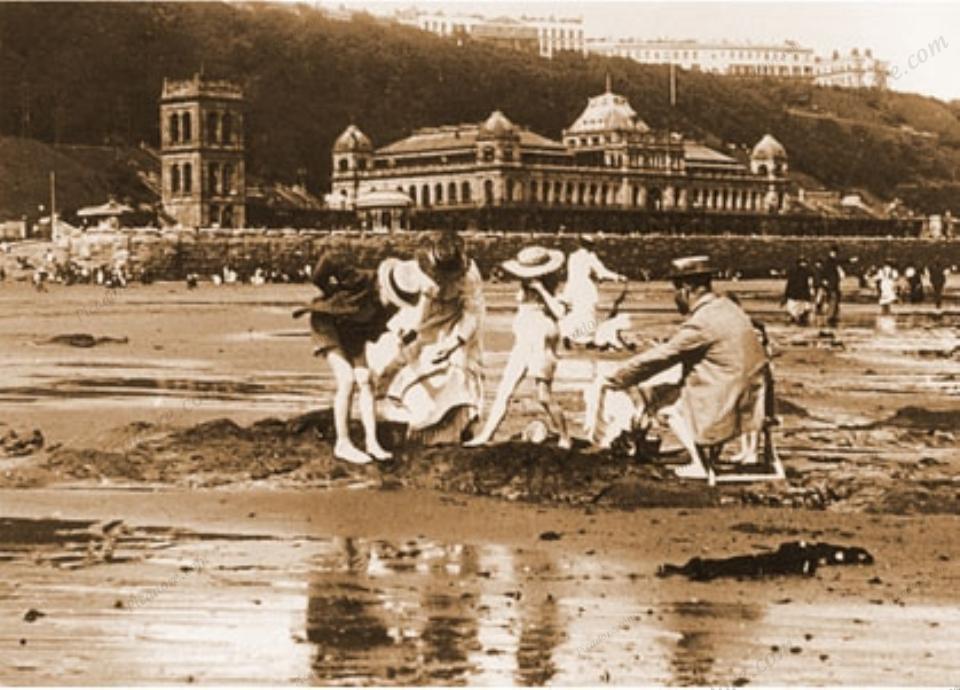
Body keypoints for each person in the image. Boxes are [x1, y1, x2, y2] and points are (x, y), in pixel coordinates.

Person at [592, 256, 767, 479]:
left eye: (674, 291)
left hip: (727, 398)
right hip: (752, 396)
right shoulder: (729, 307)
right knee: (667, 392)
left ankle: (700, 465)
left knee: (667, 409)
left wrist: (617, 377)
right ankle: (701, 456)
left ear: (686, 289)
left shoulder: (703, 321)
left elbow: (662, 357)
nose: (675, 298)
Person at [296, 250, 422, 465]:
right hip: (327, 322)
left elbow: (374, 326)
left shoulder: (392, 306)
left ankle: (372, 443)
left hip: (353, 330)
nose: (392, 303)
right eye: (391, 295)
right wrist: (330, 293)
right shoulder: (361, 278)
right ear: (383, 284)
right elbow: (328, 259)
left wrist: (398, 334)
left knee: (366, 381)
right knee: (347, 379)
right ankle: (342, 443)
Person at [383, 230, 485, 445]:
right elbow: (416, 308)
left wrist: (455, 342)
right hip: (426, 324)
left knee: (458, 371)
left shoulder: (469, 274)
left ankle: (456, 432)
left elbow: (473, 311)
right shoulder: (418, 270)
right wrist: (408, 330)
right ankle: (413, 431)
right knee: (407, 370)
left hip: (455, 323)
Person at [466, 246, 570, 449]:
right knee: (504, 389)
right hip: (524, 341)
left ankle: (565, 436)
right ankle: (486, 434)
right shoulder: (524, 288)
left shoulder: (552, 291)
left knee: (543, 395)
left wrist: (540, 289)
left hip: (541, 342)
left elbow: (560, 312)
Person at [560, 234, 626, 347]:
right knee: (587, 312)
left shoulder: (573, 256)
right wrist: (618, 277)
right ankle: (585, 339)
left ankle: (568, 335)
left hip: (572, 286)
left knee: (574, 312)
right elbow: (601, 271)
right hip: (584, 288)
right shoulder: (590, 257)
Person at [781, 256, 814, 326]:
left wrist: (786, 295)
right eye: (805, 263)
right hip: (802, 296)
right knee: (802, 312)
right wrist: (810, 295)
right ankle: (799, 321)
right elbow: (808, 285)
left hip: (793, 296)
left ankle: (794, 320)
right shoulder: (807, 272)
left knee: (793, 312)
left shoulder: (793, 272)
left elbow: (789, 284)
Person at [821, 245, 844, 327]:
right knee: (832, 299)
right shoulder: (829, 262)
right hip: (831, 284)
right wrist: (824, 280)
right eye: (833, 253)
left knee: (834, 299)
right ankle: (830, 316)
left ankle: (833, 315)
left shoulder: (832, 261)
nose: (834, 254)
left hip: (834, 284)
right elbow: (824, 272)